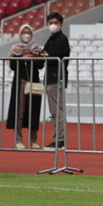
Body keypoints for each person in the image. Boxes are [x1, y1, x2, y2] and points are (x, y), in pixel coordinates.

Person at [6, 24, 43, 150]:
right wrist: (22, 58)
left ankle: (33, 140)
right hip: (20, 81)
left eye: (29, 32)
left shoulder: (37, 48)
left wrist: (35, 58)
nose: (26, 35)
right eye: (24, 32)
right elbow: (12, 65)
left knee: (34, 110)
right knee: (20, 111)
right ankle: (18, 139)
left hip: (34, 81)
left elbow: (41, 65)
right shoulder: (15, 48)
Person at [41, 12, 70, 149]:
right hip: (50, 78)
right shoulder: (51, 38)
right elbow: (44, 53)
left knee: (57, 111)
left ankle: (60, 140)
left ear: (61, 25)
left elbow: (51, 56)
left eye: (56, 23)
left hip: (57, 78)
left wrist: (46, 55)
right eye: (50, 23)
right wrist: (45, 54)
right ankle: (58, 138)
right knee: (54, 111)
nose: (53, 25)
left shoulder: (61, 39)